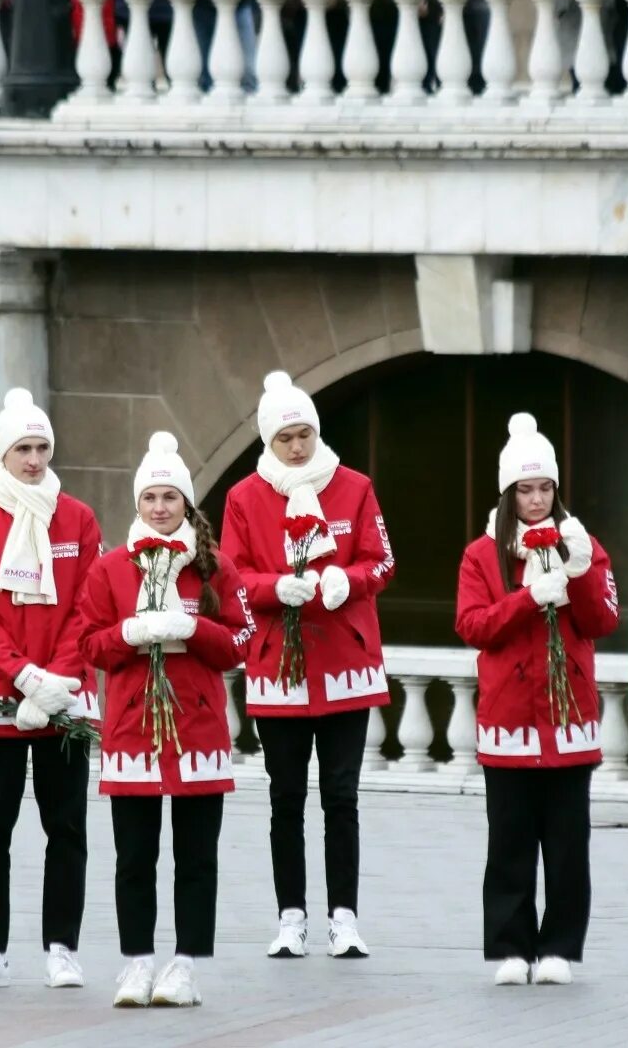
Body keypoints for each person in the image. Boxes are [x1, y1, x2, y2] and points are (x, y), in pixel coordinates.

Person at [220, 371, 396, 959]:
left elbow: (382, 561)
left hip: (346, 663)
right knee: (285, 797)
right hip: (280, 670)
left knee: (341, 796)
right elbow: (233, 579)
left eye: (305, 434)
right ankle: (290, 916)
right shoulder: (244, 499)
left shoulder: (355, 487)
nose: (297, 447)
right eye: (285, 438)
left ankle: (343, 917)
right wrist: (278, 589)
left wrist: (348, 579)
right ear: (268, 442)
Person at [77, 432, 254, 1007]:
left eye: (170, 498)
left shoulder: (214, 567)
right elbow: (89, 644)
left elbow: (242, 643)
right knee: (134, 857)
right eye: (150, 497)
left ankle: (186, 966)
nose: (159, 508)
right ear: (137, 504)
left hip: (198, 730)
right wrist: (130, 633)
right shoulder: (110, 570)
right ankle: (136, 963)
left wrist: (192, 628)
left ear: (186, 503)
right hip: (132, 730)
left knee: (196, 857)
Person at [0, 388, 102, 991]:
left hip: (64, 700)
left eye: (41, 448)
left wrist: (56, 680)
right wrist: (22, 675)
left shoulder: (79, 519)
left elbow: (89, 606)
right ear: (3, 455)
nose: (34, 460)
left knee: (66, 830)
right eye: (23, 449)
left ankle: (62, 949)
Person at [456, 414, 620, 987]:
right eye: (525, 490)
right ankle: (510, 947)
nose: (536, 499)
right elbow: (473, 625)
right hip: (507, 719)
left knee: (569, 844)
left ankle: (559, 948)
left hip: (570, 719)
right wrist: (528, 599)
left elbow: (603, 620)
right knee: (510, 841)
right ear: (508, 494)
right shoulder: (482, 554)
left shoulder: (584, 545)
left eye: (545, 488)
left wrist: (576, 575)